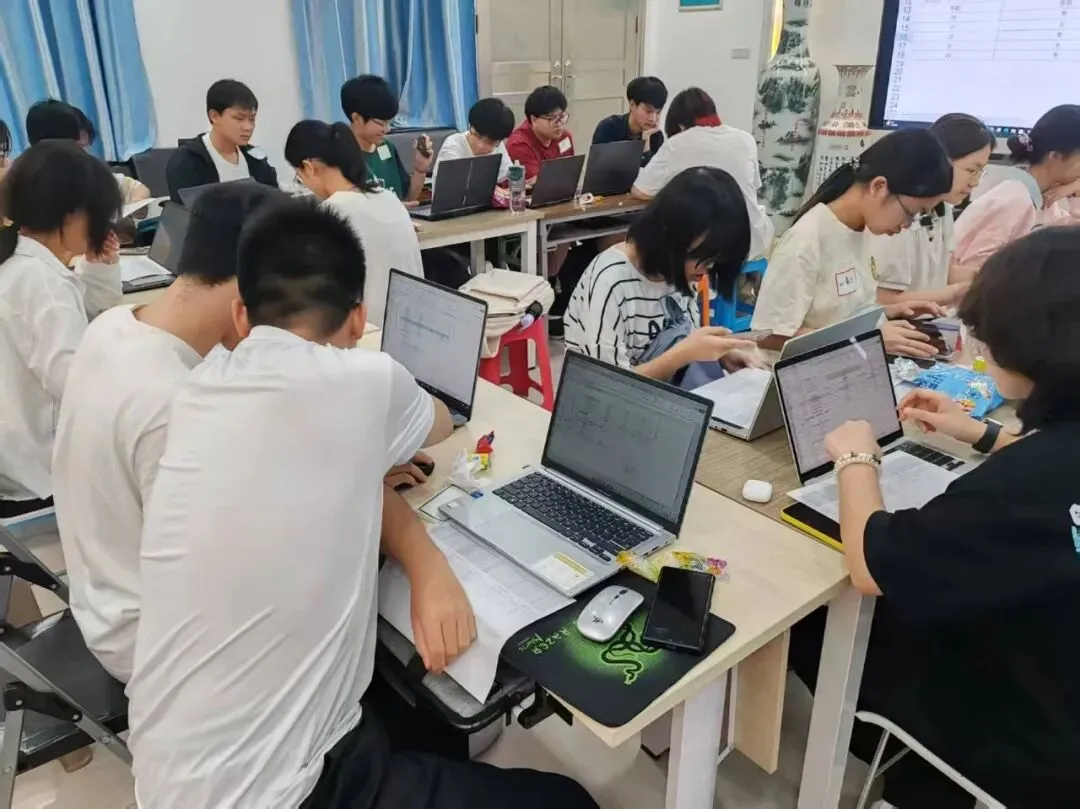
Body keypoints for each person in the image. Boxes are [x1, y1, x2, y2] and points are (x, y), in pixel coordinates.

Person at [126, 201, 598, 809]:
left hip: (166, 768)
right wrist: (378, 437)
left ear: (241, 315)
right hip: (286, 792)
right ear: (358, 319)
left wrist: (364, 462)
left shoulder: (197, 391)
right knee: (566, 800)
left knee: (415, 711)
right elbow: (440, 421)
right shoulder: (366, 382)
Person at [795, 225, 1080, 808]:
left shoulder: (1016, 490)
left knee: (817, 617)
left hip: (1031, 733)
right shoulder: (1047, 463)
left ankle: (907, 766)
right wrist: (982, 433)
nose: (982, 351)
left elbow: (871, 565)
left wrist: (855, 459)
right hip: (1057, 663)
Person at [52, 183, 287, 682]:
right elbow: (221, 566)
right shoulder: (174, 405)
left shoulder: (115, 325)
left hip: (102, 595)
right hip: (157, 644)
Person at [751, 129, 951, 358]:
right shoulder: (807, 239)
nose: (907, 225)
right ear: (878, 187)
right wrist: (865, 339)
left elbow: (843, 313)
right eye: (911, 213)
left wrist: (888, 312)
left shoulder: (863, 230)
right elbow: (769, 336)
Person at [0, 141, 122, 513]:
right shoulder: (43, 283)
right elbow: (77, 386)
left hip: (12, 460)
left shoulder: (21, 263)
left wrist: (98, 270)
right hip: (36, 476)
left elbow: (77, 321)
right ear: (73, 214)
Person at [566, 166, 760, 380]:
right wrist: (683, 354)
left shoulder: (677, 270)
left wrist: (720, 354)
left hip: (665, 391)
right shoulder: (610, 282)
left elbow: (684, 338)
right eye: (703, 257)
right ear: (670, 236)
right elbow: (607, 385)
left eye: (716, 259)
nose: (708, 268)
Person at [285, 119, 423, 326]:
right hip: (412, 326)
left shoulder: (332, 213)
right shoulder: (387, 197)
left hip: (367, 333)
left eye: (299, 177)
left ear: (308, 167)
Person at [867, 114, 994, 307]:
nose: (975, 183)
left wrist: (992, 277)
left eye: (980, 172)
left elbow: (944, 272)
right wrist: (953, 294)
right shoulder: (900, 215)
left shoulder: (943, 208)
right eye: (971, 170)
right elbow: (883, 300)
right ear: (941, 161)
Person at [631, 87, 774, 259]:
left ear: (680, 125)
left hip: (704, 248)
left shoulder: (677, 144)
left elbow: (640, 191)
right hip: (753, 240)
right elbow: (754, 186)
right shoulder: (746, 139)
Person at [953, 104, 1080, 277]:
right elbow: (976, 269)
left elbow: (1072, 240)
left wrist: (1076, 194)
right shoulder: (1014, 200)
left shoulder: (1043, 197)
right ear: (1055, 156)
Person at [166, 79, 278, 203]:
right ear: (214, 116)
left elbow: (274, 201)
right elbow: (185, 211)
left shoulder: (254, 157)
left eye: (252, 119)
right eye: (239, 118)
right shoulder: (187, 160)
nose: (248, 127)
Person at [340, 74, 430, 202]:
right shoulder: (339, 156)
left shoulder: (386, 148)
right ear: (357, 118)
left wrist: (420, 170)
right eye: (381, 123)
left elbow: (408, 199)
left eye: (389, 122)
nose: (387, 129)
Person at [432, 97, 515, 187]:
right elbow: (456, 187)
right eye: (477, 135)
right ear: (470, 126)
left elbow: (509, 179)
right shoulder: (453, 145)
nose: (480, 145)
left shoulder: (498, 144)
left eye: (489, 142)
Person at [592, 76, 668, 167]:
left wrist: (645, 143)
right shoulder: (608, 128)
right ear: (632, 104)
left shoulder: (656, 135)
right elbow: (597, 168)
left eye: (658, 112)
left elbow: (652, 173)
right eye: (648, 111)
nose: (653, 119)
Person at [505, 85, 574, 181]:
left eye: (561, 117)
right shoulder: (519, 145)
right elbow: (538, 184)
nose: (559, 124)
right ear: (534, 120)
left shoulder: (564, 136)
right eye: (552, 119)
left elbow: (569, 173)